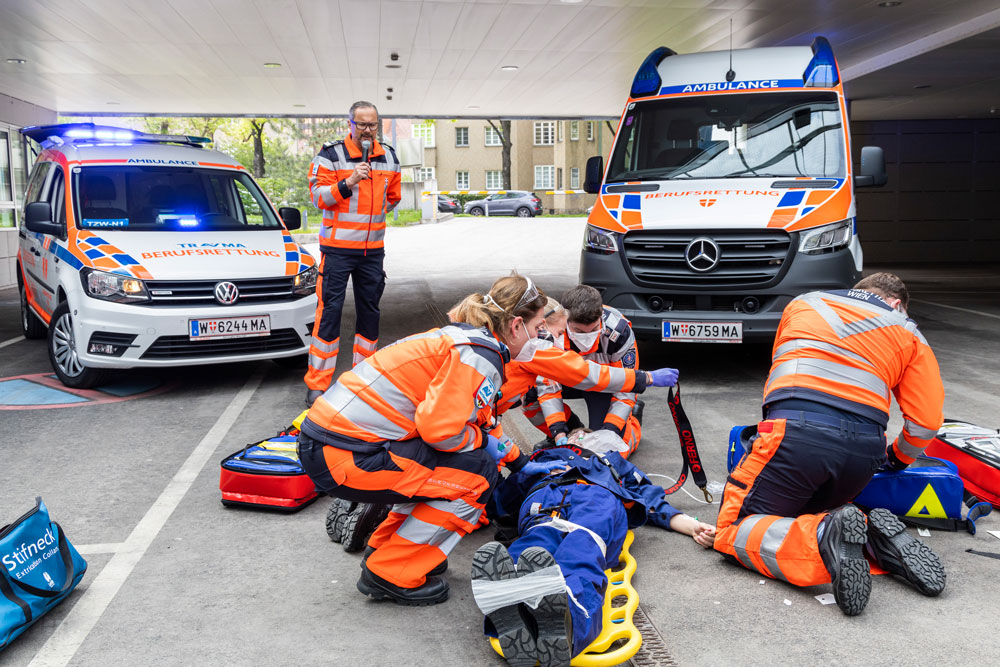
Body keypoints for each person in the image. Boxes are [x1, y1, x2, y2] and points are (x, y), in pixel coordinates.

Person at [297, 274, 564, 606]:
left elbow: (474, 422)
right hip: (346, 455)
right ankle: (391, 573)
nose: (540, 335)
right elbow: (443, 431)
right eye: (539, 326)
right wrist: (485, 446)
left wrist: (518, 460)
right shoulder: (482, 356)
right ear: (516, 326)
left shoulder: (467, 341)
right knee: (476, 476)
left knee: (447, 470)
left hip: (334, 445)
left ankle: (392, 548)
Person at [714, 272, 946, 616]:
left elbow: (782, 375)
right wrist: (894, 461)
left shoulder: (803, 303)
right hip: (863, 453)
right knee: (807, 513)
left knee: (732, 530)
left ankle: (824, 535)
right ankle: (869, 540)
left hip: (794, 435)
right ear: (897, 304)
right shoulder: (908, 331)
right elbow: (926, 423)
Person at [472, 432, 715, 667]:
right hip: (545, 498)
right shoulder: (542, 457)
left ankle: (568, 616)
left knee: (583, 544)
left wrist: (692, 526)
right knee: (535, 542)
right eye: (575, 434)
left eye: (583, 434)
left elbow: (651, 499)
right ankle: (518, 597)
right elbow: (499, 500)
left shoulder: (611, 461)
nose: (576, 436)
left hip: (596, 495)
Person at [304, 100, 402, 405]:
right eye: (362, 124)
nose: (368, 130)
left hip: (372, 251)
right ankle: (318, 383)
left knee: (370, 314)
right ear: (350, 124)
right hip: (337, 250)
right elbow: (318, 197)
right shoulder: (330, 155)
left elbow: (394, 197)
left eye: (373, 124)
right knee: (329, 313)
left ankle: (363, 381)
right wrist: (349, 182)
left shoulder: (389, 157)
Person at [533, 285, 655, 456]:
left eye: (593, 329)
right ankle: (571, 434)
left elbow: (626, 387)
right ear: (565, 319)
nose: (587, 336)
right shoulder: (552, 331)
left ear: (601, 318)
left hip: (604, 385)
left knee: (611, 451)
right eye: (578, 331)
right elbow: (547, 387)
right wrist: (559, 431)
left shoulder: (619, 332)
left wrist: (610, 429)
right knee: (528, 393)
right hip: (567, 380)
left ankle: (632, 422)